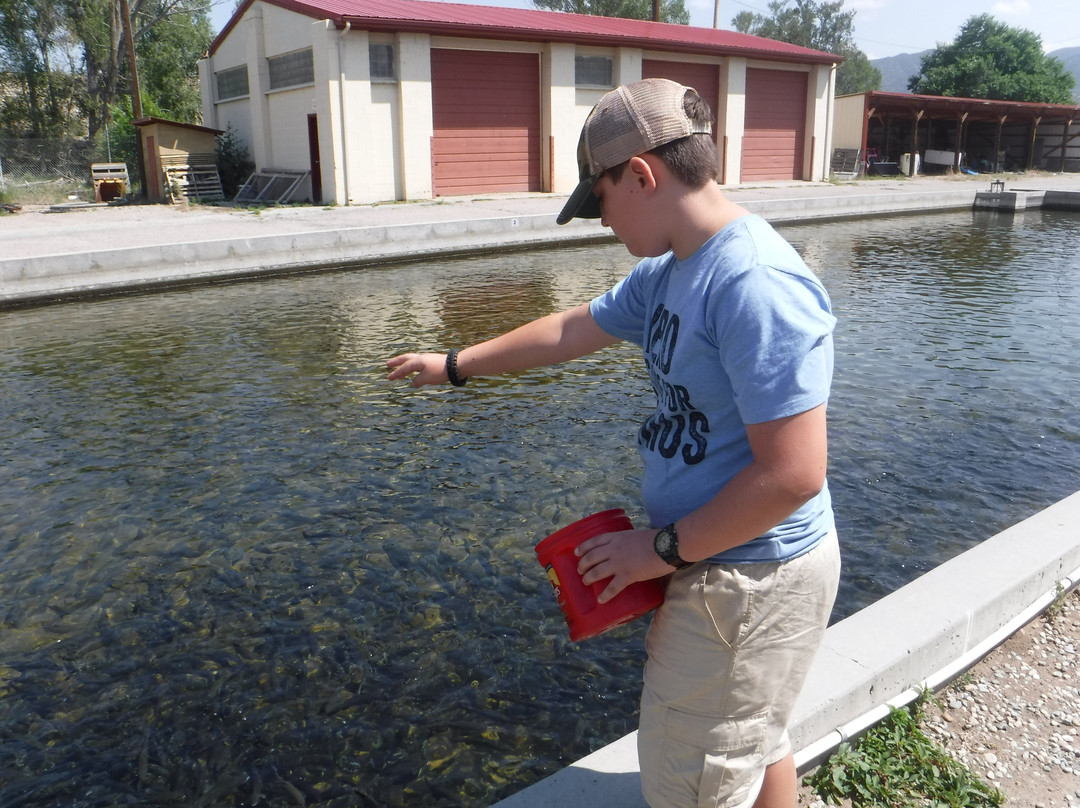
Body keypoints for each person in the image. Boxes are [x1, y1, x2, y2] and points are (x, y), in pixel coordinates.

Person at [387, 78, 841, 808]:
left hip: (751, 577)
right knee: (755, 736)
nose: (600, 221)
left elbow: (793, 475)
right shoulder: (670, 272)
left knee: (690, 784)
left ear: (641, 174)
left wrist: (655, 552)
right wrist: (455, 366)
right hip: (724, 563)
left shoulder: (754, 283)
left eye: (598, 200)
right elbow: (573, 328)